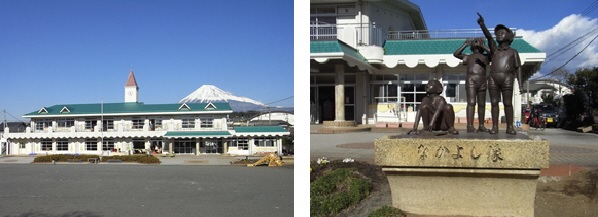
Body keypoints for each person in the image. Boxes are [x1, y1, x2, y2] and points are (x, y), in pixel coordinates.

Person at [477, 13, 524, 135]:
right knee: (494, 103)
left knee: (507, 103)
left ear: (509, 36)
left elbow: (518, 68)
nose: (499, 35)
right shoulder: (494, 49)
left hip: (507, 78)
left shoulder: (513, 52)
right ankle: (495, 127)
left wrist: (520, 84)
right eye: (497, 33)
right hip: (493, 78)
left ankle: (510, 127)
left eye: (502, 33)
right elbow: (489, 37)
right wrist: (482, 25)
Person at [453, 37, 490, 133]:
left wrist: (484, 46)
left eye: (479, 41)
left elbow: (495, 54)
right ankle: (470, 125)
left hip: (482, 80)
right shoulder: (468, 57)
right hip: (471, 80)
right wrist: (464, 45)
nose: (477, 42)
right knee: (471, 102)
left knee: (482, 104)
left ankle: (481, 125)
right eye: (475, 41)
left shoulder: (486, 56)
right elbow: (456, 54)